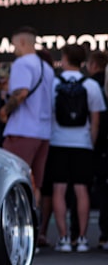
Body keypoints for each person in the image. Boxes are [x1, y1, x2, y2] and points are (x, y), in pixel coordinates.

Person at [45, 45, 105, 252]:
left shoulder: (53, 84)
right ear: (83, 61)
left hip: (58, 142)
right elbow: (96, 120)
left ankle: (62, 238)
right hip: (83, 144)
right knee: (82, 190)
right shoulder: (91, 85)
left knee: (59, 190)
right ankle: (81, 239)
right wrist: (91, 142)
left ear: (64, 58)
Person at [0, 26, 55, 228]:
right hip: (43, 133)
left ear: (22, 42)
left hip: (22, 131)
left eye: (14, 44)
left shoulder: (22, 63)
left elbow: (21, 93)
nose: (13, 48)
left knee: (12, 180)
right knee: (35, 184)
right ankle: (31, 227)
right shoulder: (47, 67)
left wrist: (5, 110)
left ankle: (16, 228)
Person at [86, 50, 108, 249]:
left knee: (103, 189)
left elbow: (94, 120)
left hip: (99, 142)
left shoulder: (90, 85)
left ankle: (105, 234)